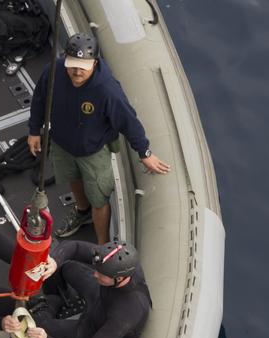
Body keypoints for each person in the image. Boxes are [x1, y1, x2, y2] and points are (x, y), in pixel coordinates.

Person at [26, 33, 171, 245]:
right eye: (73, 65)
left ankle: (102, 244)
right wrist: (34, 130)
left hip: (93, 152)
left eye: (83, 67)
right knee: (72, 176)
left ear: (94, 63)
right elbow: (40, 99)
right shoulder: (53, 72)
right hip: (62, 144)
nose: (77, 72)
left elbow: (128, 121)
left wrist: (145, 153)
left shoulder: (107, 90)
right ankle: (82, 211)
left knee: (99, 199)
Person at [2, 239, 151, 338]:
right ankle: (55, 299)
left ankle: (49, 308)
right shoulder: (125, 267)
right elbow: (76, 247)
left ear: (119, 278)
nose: (95, 274)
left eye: (101, 273)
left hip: (91, 329)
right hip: (100, 296)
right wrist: (54, 261)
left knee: (35, 324)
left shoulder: (127, 312)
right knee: (64, 267)